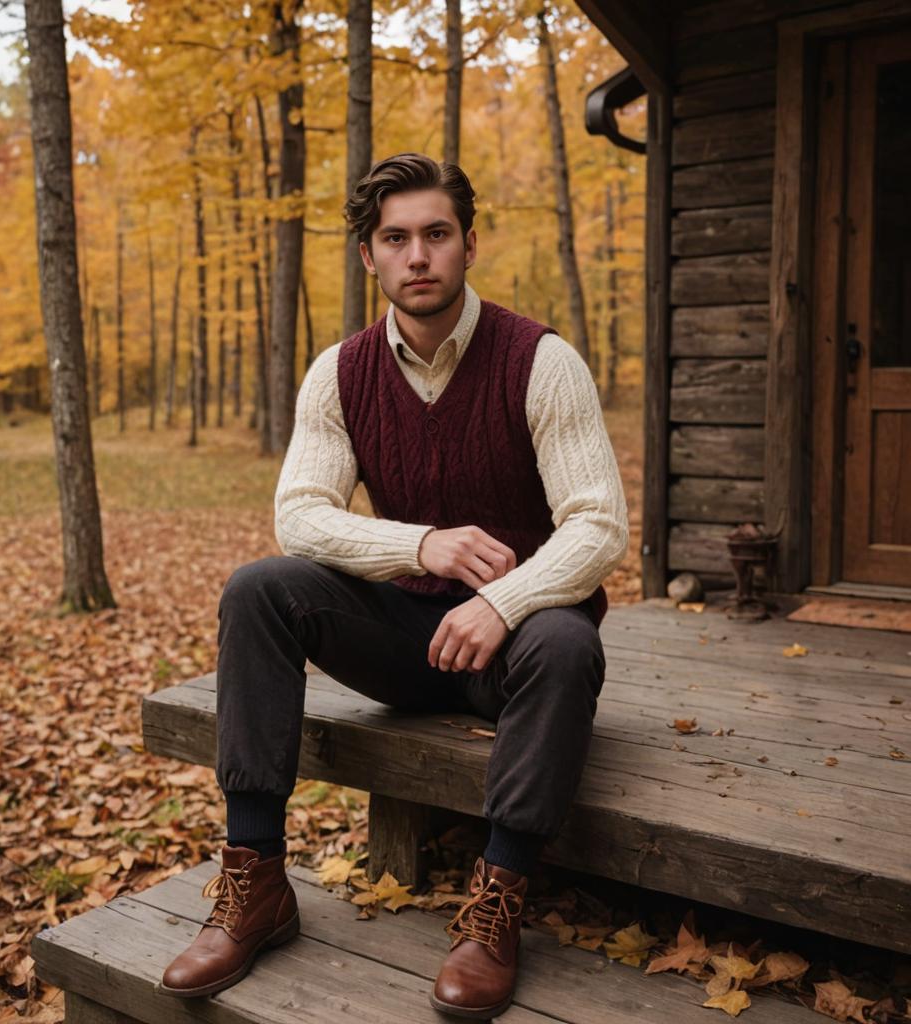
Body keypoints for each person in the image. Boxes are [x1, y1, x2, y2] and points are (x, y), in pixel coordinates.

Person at [159, 152, 629, 1019]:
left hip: (510, 652)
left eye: (436, 235)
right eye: (396, 238)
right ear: (370, 257)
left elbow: (599, 526)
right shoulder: (339, 373)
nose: (418, 256)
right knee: (261, 588)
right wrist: (425, 545)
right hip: (403, 637)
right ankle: (256, 878)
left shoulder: (541, 359)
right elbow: (299, 515)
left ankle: (497, 903)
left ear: (469, 244)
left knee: (567, 639)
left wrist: (506, 600)